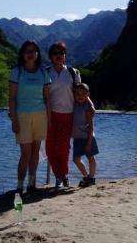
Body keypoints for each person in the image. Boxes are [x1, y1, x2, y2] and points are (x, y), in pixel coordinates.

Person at [9, 40, 51, 195]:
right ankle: (19, 186)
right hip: (23, 115)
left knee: (35, 151)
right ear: (23, 54)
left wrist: (50, 120)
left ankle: (31, 184)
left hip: (41, 115)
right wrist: (14, 120)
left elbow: (47, 99)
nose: (30, 53)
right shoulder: (17, 72)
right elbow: (12, 98)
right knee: (25, 153)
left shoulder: (43, 73)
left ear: (37, 53)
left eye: (33, 50)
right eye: (27, 51)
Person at [45, 42, 81, 188]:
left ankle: (63, 176)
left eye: (61, 52)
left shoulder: (73, 72)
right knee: (49, 148)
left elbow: (81, 94)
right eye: (55, 53)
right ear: (51, 57)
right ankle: (59, 175)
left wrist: (89, 107)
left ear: (65, 55)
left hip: (68, 114)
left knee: (63, 147)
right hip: (50, 114)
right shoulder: (46, 73)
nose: (58, 55)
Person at [72, 83, 99, 187]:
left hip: (87, 137)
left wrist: (89, 142)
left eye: (83, 94)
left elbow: (91, 126)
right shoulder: (74, 103)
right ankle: (86, 176)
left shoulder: (88, 107)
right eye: (78, 93)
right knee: (76, 159)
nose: (80, 96)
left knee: (90, 157)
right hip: (77, 137)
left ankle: (91, 177)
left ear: (88, 95)